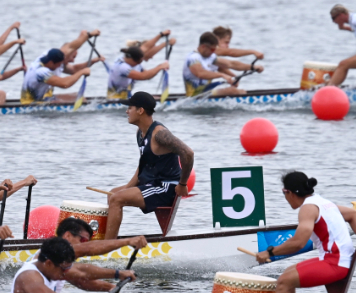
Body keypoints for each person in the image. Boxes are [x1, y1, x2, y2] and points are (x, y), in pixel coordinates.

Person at [254, 171, 356, 293]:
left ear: (289, 192)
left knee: (284, 281)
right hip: (340, 260)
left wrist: (269, 253)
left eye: (283, 193)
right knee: (287, 274)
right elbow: (354, 214)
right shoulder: (323, 202)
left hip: (335, 263)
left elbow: (299, 242)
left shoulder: (307, 208)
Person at [104, 92, 194, 240]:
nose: (126, 111)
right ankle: (108, 238)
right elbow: (143, 166)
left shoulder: (159, 134)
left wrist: (183, 184)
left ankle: (107, 245)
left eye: (130, 108)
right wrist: (127, 187)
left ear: (141, 110)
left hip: (166, 188)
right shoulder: (140, 132)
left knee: (116, 199)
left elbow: (188, 153)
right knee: (112, 194)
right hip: (152, 184)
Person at [183, 32, 255, 98]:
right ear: (203, 47)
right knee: (234, 91)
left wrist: (252, 67)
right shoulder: (193, 58)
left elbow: (231, 64)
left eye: (215, 50)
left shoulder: (210, 57)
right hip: (194, 95)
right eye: (212, 49)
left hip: (205, 90)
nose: (213, 52)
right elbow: (200, 73)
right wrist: (222, 75)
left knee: (238, 91)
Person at [21, 48, 102, 105]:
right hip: (30, 103)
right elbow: (65, 84)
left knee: (78, 97)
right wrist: (82, 72)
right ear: (51, 62)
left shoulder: (41, 59)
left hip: (42, 99)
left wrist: (92, 61)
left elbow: (73, 69)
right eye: (59, 65)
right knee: (76, 100)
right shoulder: (41, 72)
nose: (60, 67)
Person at [55, 216, 148, 260]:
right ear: (67, 236)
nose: (85, 244)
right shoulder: (56, 252)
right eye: (83, 240)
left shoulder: (64, 262)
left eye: (88, 242)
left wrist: (116, 275)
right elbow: (88, 248)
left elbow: (82, 273)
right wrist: (128, 241)